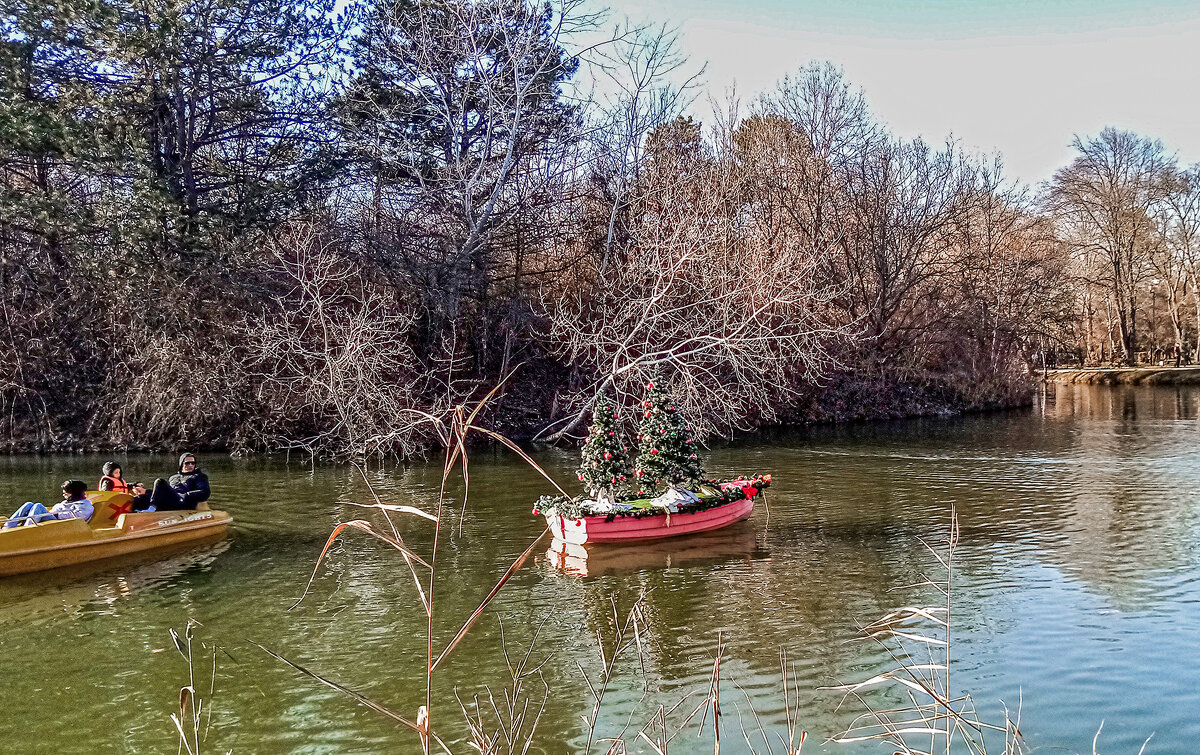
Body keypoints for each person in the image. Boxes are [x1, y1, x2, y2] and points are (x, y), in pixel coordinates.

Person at [132, 453, 210, 512]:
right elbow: (166, 492)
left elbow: (205, 492)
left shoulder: (199, 476)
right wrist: (146, 492)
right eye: (187, 463)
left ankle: (151, 509)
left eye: (193, 463)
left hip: (184, 503)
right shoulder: (173, 478)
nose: (190, 465)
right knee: (141, 498)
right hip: (172, 501)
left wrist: (186, 495)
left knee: (160, 481)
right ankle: (132, 517)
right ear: (181, 464)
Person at [4, 480, 93, 528]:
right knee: (29, 504)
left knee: (38, 506)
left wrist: (57, 513)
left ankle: (27, 528)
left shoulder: (85, 505)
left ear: (75, 492)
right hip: (55, 518)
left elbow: (80, 517)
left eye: (67, 492)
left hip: (64, 524)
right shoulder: (67, 502)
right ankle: (9, 524)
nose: (63, 493)